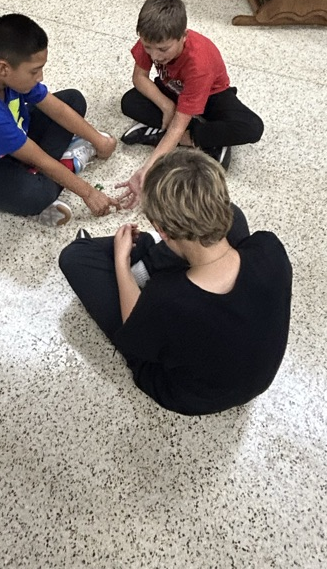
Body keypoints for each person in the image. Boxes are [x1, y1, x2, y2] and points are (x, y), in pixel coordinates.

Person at [59, 149, 292, 416]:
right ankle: (151, 253)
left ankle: (142, 258)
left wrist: (121, 262)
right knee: (235, 218)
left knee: (75, 257)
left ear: (162, 230)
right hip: (256, 378)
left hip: (188, 394)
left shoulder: (166, 297)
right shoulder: (270, 247)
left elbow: (134, 339)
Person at [0, 14, 119, 226]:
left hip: (11, 138)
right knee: (37, 194)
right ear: (3, 68)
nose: (41, 77)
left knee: (73, 100)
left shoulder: (0, 68)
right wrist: (88, 193)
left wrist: (100, 141)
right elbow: (37, 157)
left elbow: (53, 106)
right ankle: (67, 163)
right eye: (34, 71)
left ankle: (42, 172)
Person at [116, 0, 263, 204]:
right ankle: (208, 138)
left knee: (251, 127)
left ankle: (190, 138)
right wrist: (167, 106)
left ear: (183, 36)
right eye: (148, 48)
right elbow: (139, 78)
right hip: (175, 90)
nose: (155, 56)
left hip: (213, 95)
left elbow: (177, 126)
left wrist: (147, 169)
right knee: (129, 102)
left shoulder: (199, 63)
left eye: (163, 49)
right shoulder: (152, 36)